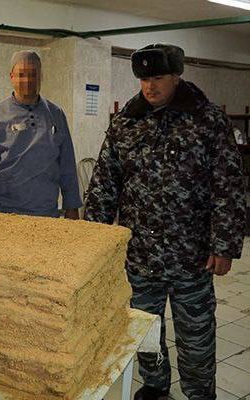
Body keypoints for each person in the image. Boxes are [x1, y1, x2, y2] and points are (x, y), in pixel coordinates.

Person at [84, 44, 245, 400]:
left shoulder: (207, 120)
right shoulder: (126, 122)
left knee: (196, 337)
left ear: (176, 76)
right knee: (144, 332)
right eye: (144, 79)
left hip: (192, 256)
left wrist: (224, 245)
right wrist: (94, 240)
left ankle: (200, 393)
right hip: (140, 255)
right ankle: (155, 387)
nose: (149, 86)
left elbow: (228, 185)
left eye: (157, 78)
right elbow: (104, 184)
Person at [0, 50, 81, 218]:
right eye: (22, 74)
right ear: (11, 77)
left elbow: (67, 164)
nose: (28, 80)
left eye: (33, 74)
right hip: (5, 213)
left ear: (41, 77)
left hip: (46, 213)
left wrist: (72, 206)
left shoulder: (55, 114)